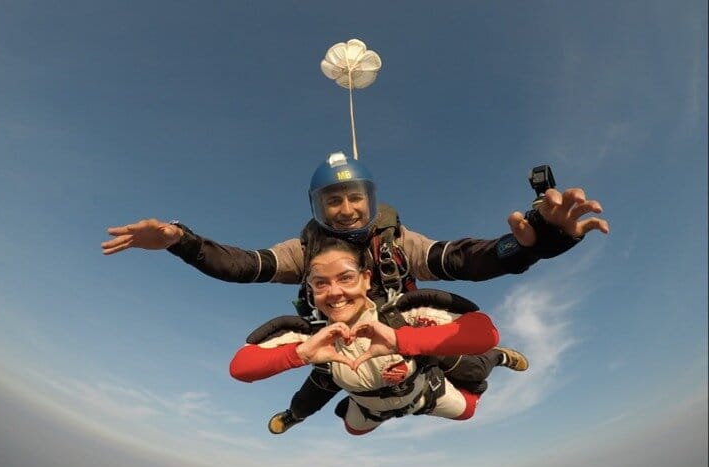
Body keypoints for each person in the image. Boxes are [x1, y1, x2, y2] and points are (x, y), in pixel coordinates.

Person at [101, 151, 609, 432]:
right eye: (333, 201)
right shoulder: (303, 252)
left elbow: (462, 259)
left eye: (354, 198)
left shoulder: (396, 242)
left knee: (470, 365)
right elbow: (242, 266)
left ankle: (493, 361)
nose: (345, 210)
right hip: (341, 342)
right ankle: (297, 415)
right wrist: (181, 241)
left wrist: (528, 245)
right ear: (318, 207)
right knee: (331, 391)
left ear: (370, 200)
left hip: (404, 328)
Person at [230, 237, 519, 435]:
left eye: (346, 278)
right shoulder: (312, 335)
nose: (335, 292)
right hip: (369, 408)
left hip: (424, 394)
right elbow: (240, 367)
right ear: (311, 290)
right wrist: (301, 354)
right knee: (351, 429)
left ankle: (499, 359)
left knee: (468, 408)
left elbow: (485, 332)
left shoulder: (401, 315)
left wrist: (403, 340)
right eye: (321, 283)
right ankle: (295, 414)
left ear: (366, 279)